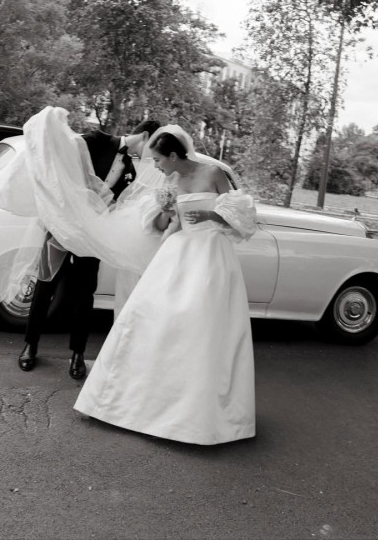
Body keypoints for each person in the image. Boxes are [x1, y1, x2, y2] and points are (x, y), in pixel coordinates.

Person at [73, 128, 257, 445]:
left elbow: (240, 217)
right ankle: (132, 404)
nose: (155, 166)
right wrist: (166, 211)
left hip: (209, 254)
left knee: (201, 327)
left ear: (173, 155)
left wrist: (210, 213)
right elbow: (164, 227)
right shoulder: (170, 182)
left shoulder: (213, 173)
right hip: (177, 252)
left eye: (158, 159)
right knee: (151, 319)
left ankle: (195, 415)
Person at [17, 117, 160, 378]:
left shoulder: (131, 169)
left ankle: (78, 354)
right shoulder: (96, 139)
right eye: (154, 144)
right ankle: (30, 346)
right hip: (61, 230)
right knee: (45, 286)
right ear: (146, 136)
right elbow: (59, 165)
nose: (153, 153)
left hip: (92, 238)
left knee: (84, 294)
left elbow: (115, 203)